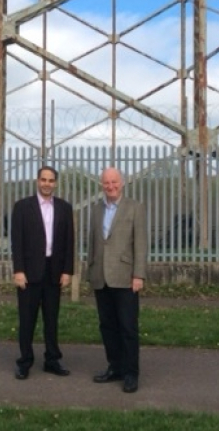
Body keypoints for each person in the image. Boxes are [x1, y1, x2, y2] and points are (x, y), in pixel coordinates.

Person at [87, 166, 148, 393]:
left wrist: (138, 275)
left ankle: (131, 373)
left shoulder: (135, 208)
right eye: (106, 183)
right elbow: (93, 242)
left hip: (125, 277)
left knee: (127, 327)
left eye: (114, 182)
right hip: (101, 277)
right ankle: (115, 367)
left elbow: (140, 244)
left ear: (121, 183)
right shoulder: (96, 210)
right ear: (101, 185)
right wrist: (91, 271)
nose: (110, 186)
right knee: (107, 326)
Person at [11, 165, 75, 380]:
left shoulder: (64, 208)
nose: (47, 184)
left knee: (51, 319)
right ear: (37, 181)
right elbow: (17, 242)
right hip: (29, 272)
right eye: (43, 180)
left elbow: (69, 241)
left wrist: (67, 271)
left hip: (54, 271)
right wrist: (18, 270)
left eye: (51, 180)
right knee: (27, 319)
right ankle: (25, 361)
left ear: (55, 183)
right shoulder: (22, 207)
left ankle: (52, 360)